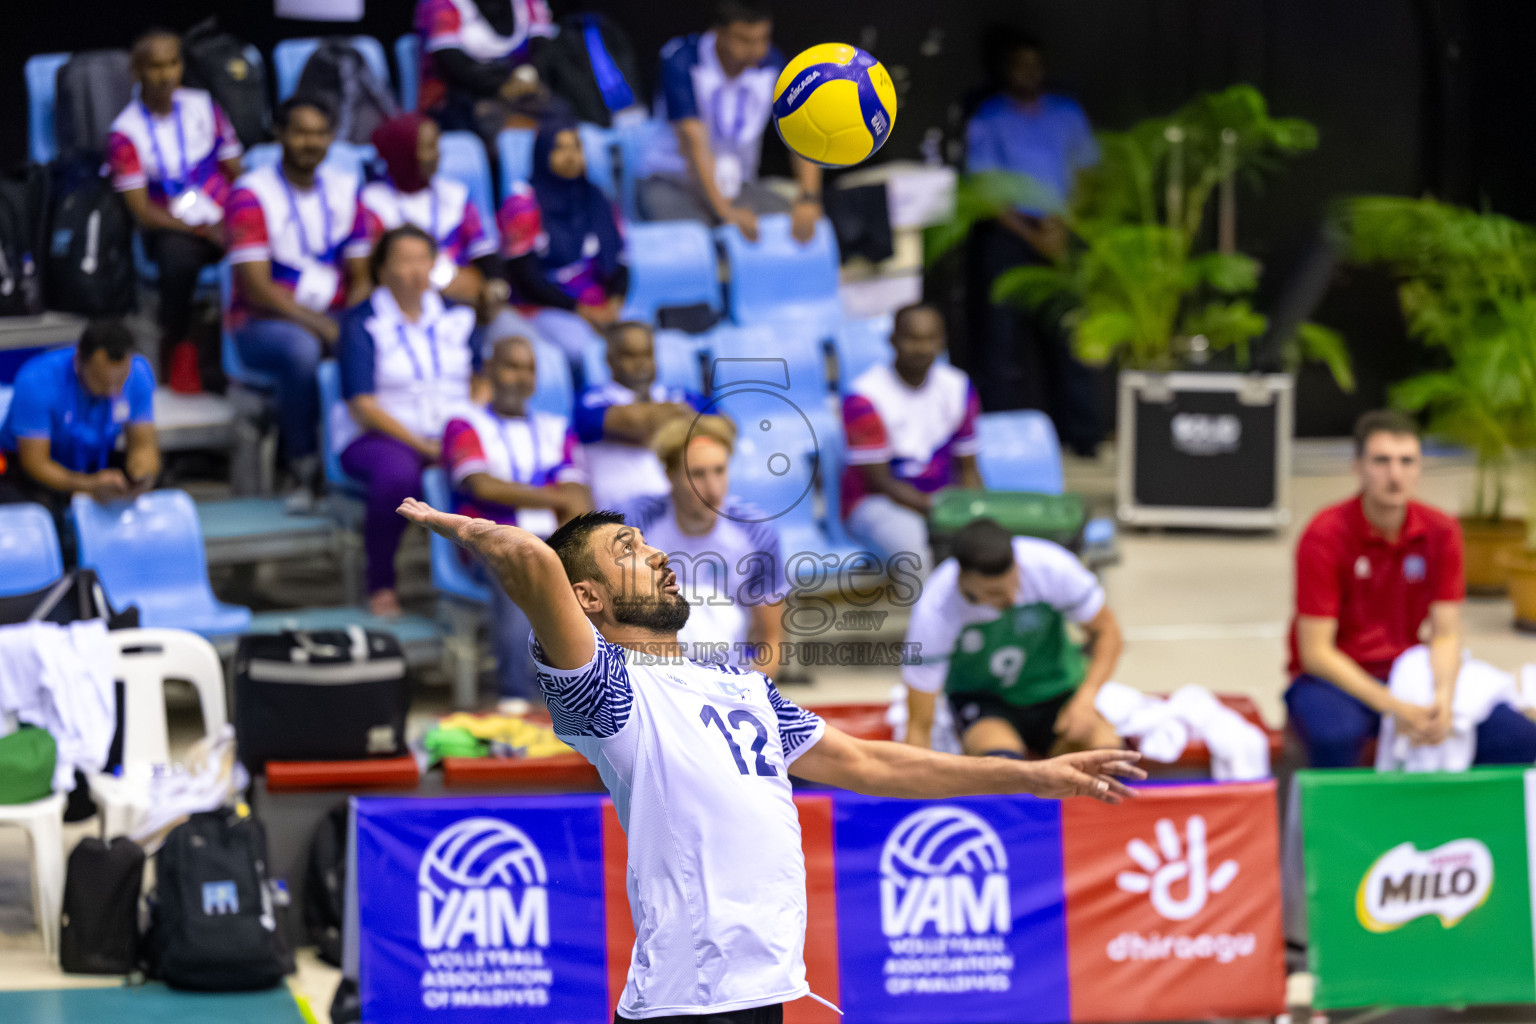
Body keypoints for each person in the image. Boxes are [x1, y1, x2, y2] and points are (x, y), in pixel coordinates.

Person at [394, 495, 1143, 1024]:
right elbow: (528, 559)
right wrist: (471, 530)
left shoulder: (737, 683)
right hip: (686, 1001)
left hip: (762, 990)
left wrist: (1033, 776)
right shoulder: (606, 692)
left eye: (648, 544)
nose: (655, 555)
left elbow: (872, 766)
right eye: (628, 551)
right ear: (586, 597)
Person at [1287, 410, 1536, 768]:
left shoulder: (1441, 530)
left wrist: (1443, 700)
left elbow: (1446, 634)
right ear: (1357, 466)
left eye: (1407, 462)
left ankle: (1461, 823)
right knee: (1335, 736)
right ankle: (1349, 824)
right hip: (1333, 680)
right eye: (1381, 461)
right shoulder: (1324, 535)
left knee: (1517, 736)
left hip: (1407, 672)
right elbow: (1316, 653)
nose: (1395, 475)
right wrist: (1394, 707)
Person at [225, 95, 372, 511]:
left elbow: (361, 276)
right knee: (302, 350)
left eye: (321, 133)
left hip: (335, 309)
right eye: (302, 132)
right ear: (281, 135)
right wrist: (322, 325)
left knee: (375, 336)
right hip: (263, 320)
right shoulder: (251, 193)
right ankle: (302, 466)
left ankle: (358, 471)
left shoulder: (346, 189)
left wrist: (351, 321)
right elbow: (256, 288)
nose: (312, 142)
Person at [965, 30, 1102, 455]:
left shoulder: (1066, 113)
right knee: (1002, 343)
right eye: (1019, 66)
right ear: (1005, 69)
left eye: (1034, 65)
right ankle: (1006, 439)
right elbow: (986, 190)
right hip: (1010, 235)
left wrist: (1064, 227)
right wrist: (1031, 235)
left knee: (1071, 340)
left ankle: (1082, 436)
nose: (1029, 74)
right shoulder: (988, 118)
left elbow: (1087, 174)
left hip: (1063, 231)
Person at [336, 226, 482, 616]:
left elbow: (483, 380)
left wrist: (468, 427)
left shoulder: (457, 314)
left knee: (486, 466)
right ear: (382, 270)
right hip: (381, 434)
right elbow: (362, 405)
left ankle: (480, 572)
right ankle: (380, 581)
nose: (416, 269)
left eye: (424, 259)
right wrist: (425, 446)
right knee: (398, 478)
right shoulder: (361, 322)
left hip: (450, 429)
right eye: (405, 260)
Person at [442, 333, 591, 704]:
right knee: (523, 564)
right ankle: (515, 698)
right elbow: (483, 487)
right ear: (490, 370)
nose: (520, 377)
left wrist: (561, 529)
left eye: (529, 369)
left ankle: (588, 697)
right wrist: (552, 495)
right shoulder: (464, 423)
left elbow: (579, 497)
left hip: (552, 539)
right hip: (489, 540)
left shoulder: (555, 428)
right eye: (511, 366)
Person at [904, 517, 1122, 759]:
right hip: (985, 700)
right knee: (1001, 766)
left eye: (1013, 583)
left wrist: (1086, 698)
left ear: (1017, 562)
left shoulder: (1051, 566)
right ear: (962, 581)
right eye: (993, 593)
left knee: (1105, 757)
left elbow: (1108, 632)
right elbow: (919, 723)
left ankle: (1056, 768)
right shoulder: (935, 608)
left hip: (1057, 690)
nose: (1009, 597)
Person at [108, 29, 244, 393]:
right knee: (177, 258)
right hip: (169, 224)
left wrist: (238, 214)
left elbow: (236, 169)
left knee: (258, 242)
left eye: (173, 63)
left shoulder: (204, 105)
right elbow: (140, 210)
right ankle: (179, 345)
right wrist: (201, 230)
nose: (166, 74)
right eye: (155, 66)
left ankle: (237, 347)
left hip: (219, 213)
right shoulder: (125, 132)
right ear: (137, 72)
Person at [638, 0, 824, 242]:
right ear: (718, 34)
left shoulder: (772, 64)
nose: (757, 49)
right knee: (697, 240)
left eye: (763, 38)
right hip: (675, 183)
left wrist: (809, 197)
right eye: (744, 40)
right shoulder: (682, 59)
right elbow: (693, 143)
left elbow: (801, 129)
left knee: (800, 225)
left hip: (738, 188)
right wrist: (724, 212)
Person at [624, 415, 787, 678]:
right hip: (653, 676)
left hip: (729, 677)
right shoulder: (635, 524)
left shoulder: (758, 533)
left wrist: (752, 694)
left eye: (720, 471)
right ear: (669, 475)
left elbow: (771, 640)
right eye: (697, 475)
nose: (712, 489)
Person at [841, 304, 983, 577]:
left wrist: (975, 511)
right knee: (917, 553)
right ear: (893, 340)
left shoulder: (957, 386)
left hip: (943, 501)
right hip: (877, 504)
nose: (922, 348)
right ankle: (931, 619)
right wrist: (940, 511)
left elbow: (968, 467)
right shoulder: (864, 396)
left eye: (931, 339)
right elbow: (878, 481)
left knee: (989, 542)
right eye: (912, 339)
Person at [498, 120, 628, 382]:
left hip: (600, 304)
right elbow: (527, 279)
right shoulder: (522, 205)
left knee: (636, 338)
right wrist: (582, 310)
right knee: (582, 348)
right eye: (560, 149)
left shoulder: (597, 198)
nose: (571, 157)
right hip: (546, 307)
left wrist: (614, 303)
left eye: (576, 148)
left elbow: (622, 261)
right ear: (543, 153)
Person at [0, 320, 160, 522]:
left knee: (147, 494)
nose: (113, 391)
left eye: (120, 382)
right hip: (31, 472)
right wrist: (88, 486)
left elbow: (144, 444)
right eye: (103, 383)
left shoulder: (138, 373)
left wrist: (141, 474)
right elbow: (35, 462)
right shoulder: (37, 380)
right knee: (44, 513)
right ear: (80, 362)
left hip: (92, 461)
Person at [362, 113, 500, 311]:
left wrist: (491, 287)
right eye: (429, 147)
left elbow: (484, 253)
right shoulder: (372, 203)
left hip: (464, 301)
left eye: (437, 145)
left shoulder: (455, 194)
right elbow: (376, 272)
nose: (437, 154)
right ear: (403, 153)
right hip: (403, 305)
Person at [575, 321, 706, 512]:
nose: (641, 363)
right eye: (630, 355)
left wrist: (658, 420)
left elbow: (725, 427)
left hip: (680, 515)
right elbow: (640, 428)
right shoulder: (592, 398)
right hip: (619, 519)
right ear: (610, 359)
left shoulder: (677, 392)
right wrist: (683, 419)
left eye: (647, 354)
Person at [413, 0, 561, 138]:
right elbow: (454, 67)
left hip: (524, 92)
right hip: (462, 97)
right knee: (491, 118)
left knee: (558, 114)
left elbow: (544, 54)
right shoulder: (439, 4)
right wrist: (508, 83)